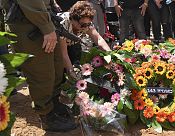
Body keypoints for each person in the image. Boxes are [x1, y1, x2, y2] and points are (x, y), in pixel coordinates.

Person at [2, 0, 76, 132]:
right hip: (28, 23)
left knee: (56, 66)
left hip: (43, 18)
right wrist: (46, 27)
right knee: (41, 72)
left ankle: (54, 104)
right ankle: (47, 115)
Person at [58, 1, 111, 75]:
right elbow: (64, 54)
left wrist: (110, 56)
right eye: (82, 25)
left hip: (73, 44)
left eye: (88, 24)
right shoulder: (63, 23)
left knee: (76, 65)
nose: (85, 27)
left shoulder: (86, 22)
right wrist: (71, 72)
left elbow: (98, 39)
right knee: (61, 71)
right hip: (55, 46)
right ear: (73, 19)